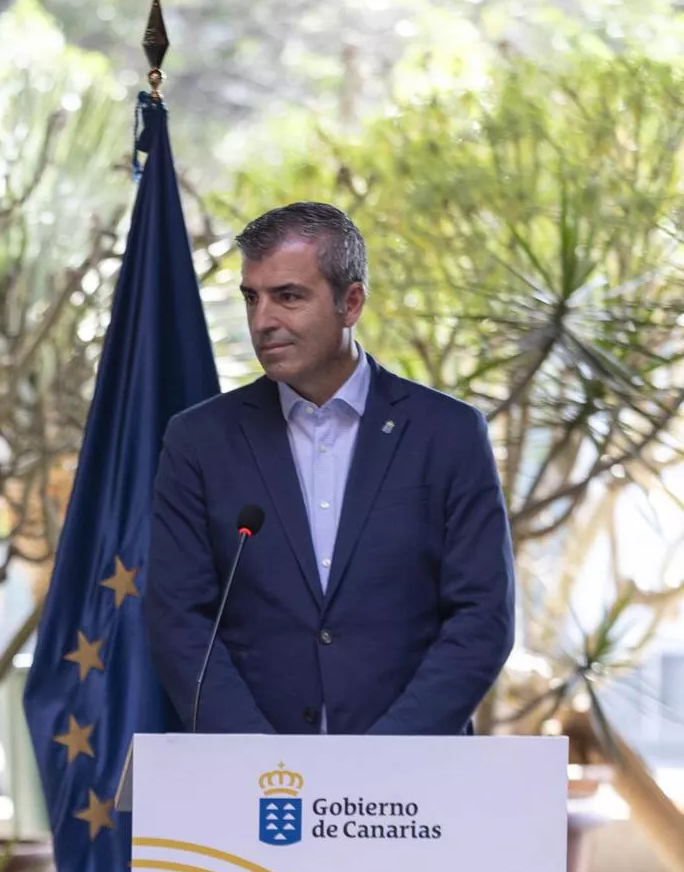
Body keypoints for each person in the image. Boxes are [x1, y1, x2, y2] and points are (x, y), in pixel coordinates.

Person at [146, 202, 513, 736]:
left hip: (410, 784)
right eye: (252, 297)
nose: (263, 320)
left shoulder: (449, 434)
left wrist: (379, 759)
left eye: (289, 296)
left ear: (352, 302)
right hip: (255, 783)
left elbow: (483, 616)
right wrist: (260, 760)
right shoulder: (199, 441)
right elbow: (178, 620)